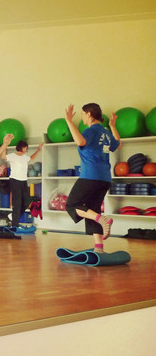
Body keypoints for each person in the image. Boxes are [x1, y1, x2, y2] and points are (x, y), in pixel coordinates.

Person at [64, 103, 120, 253]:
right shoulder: (105, 132)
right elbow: (117, 144)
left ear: (89, 114)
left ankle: (102, 220)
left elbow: (80, 141)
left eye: (82, 114)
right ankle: (99, 248)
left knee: (71, 205)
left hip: (90, 176)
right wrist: (112, 126)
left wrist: (69, 121)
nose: (81, 117)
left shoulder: (91, 130)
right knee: (92, 210)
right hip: (105, 178)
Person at [2, 140, 43, 227]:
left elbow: (32, 158)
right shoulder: (12, 156)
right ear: (20, 147)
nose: (26, 149)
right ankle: (15, 225)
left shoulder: (25, 157)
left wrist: (39, 150)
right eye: (25, 148)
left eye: (26, 148)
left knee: (27, 201)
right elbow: (3, 157)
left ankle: (12, 216)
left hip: (23, 181)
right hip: (14, 181)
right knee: (17, 203)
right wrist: (5, 145)